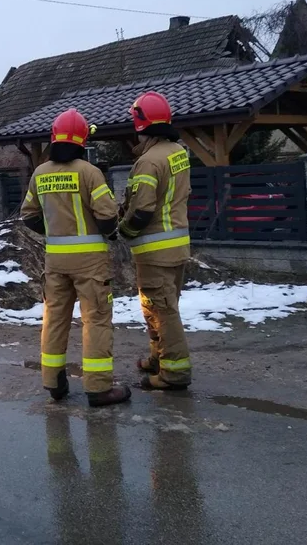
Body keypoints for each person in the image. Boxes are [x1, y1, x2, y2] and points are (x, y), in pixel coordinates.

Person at [21, 108, 131, 407]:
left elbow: (28, 216)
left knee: (55, 319)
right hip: (90, 262)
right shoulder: (89, 172)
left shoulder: (40, 173)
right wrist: (110, 235)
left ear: (53, 137)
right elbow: (108, 216)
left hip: (55, 260)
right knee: (95, 319)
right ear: (83, 140)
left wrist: (55, 232)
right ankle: (98, 388)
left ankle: (53, 382)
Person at [118, 91, 193, 390]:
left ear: (139, 123)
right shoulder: (178, 152)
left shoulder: (148, 162)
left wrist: (122, 231)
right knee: (158, 306)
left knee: (164, 311)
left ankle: (174, 373)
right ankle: (158, 358)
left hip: (154, 251)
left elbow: (142, 210)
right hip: (177, 247)